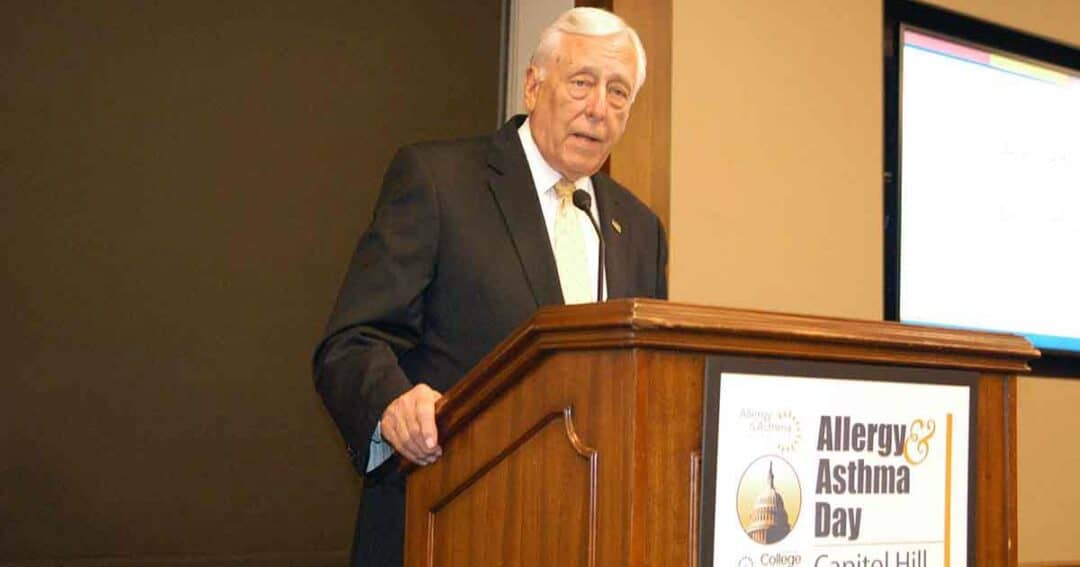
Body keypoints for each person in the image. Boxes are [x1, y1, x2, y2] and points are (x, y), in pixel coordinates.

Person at [313, 7, 667, 566]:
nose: (599, 109)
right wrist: (393, 404)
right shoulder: (439, 182)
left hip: (585, 533)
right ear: (533, 83)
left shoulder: (638, 226)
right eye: (582, 83)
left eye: (618, 92)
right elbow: (351, 343)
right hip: (446, 515)